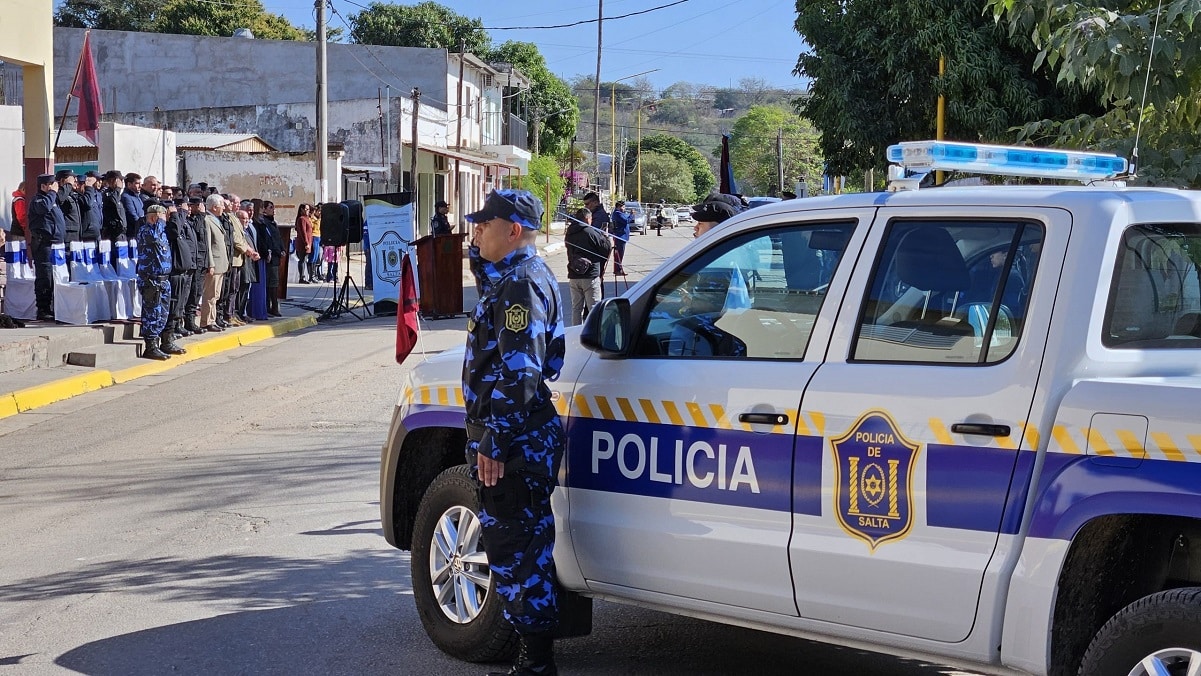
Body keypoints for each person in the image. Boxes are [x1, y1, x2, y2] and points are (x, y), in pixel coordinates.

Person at [462, 188, 565, 676]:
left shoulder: (521, 284)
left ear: (514, 230)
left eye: (485, 224)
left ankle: (535, 664)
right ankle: (532, 658)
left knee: (519, 553)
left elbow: (521, 371)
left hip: (516, 437)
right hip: (515, 431)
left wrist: (496, 439)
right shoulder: (512, 278)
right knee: (513, 547)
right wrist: (479, 258)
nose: (476, 231)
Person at [136, 204, 182, 360]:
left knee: (162, 314)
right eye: (163, 217)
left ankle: (164, 343)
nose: (165, 220)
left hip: (163, 280)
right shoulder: (146, 230)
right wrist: (160, 221)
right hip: (151, 280)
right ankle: (150, 347)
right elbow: (154, 236)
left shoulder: (161, 231)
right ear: (154, 217)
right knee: (152, 314)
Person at [27, 173, 65, 321]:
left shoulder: (51, 199)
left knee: (54, 276)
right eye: (51, 184)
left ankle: (53, 306)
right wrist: (52, 193)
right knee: (45, 277)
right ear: (43, 186)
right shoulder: (38, 200)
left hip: (55, 244)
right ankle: (43, 309)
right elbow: (44, 208)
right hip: (43, 244)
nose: (54, 187)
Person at [564, 207, 611, 326]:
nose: (591, 221)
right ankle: (594, 333)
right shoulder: (591, 232)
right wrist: (606, 237)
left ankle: (576, 332)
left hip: (574, 275)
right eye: (590, 219)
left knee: (576, 309)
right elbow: (606, 249)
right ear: (586, 218)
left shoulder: (569, 232)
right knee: (594, 308)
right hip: (590, 276)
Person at [165, 197, 197, 339]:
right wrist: (178, 214)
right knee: (173, 302)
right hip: (173, 269)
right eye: (185, 207)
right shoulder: (174, 222)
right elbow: (174, 231)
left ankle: (176, 326)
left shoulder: (183, 221)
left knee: (181, 300)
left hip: (184, 267)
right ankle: (169, 331)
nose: (188, 209)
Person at [200, 194, 230, 331]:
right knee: (210, 295)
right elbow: (208, 244)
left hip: (221, 263)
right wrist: (210, 264)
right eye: (222, 205)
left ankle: (212, 319)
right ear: (214, 206)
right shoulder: (207, 220)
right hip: (214, 264)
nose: (224, 207)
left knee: (216, 294)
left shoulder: (216, 219)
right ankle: (206, 321)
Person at [255, 200, 283, 316]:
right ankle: (268, 307)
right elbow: (267, 240)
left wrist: (282, 249)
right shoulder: (263, 223)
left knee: (274, 283)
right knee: (269, 283)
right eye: (270, 207)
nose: (273, 210)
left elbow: (278, 238)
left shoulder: (272, 223)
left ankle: (274, 307)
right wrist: (271, 251)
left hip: (275, 257)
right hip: (269, 256)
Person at [608, 200, 631, 275]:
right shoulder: (617, 214)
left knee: (619, 254)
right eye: (623, 207)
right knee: (619, 254)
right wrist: (632, 215)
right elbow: (626, 220)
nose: (624, 208)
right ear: (619, 207)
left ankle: (618, 269)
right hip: (620, 236)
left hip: (622, 236)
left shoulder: (621, 213)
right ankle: (618, 270)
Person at [121, 173, 144, 239]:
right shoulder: (126, 197)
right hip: (132, 234)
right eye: (137, 183)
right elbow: (132, 216)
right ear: (129, 184)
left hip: (139, 232)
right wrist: (142, 225)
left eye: (140, 183)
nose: (140, 186)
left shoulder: (137, 197)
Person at [294, 203, 313, 283]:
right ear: (302, 210)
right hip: (303, 243)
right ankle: (302, 277)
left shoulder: (307, 219)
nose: (308, 211)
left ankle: (304, 276)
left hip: (309, 242)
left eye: (308, 209)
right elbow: (303, 232)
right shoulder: (301, 219)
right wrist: (306, 243)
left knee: (304, 260)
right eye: (306, 209)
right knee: (302, 260)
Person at [309, 203, 323, 282]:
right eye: (319, 211)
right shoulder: (313, 218)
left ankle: (315, 274)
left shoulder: (318, 219)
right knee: (313, 256)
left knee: (317, 257)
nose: (320, 213)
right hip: (314, 236)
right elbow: (313, 227)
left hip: (318, 237)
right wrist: (318, 220)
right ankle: (311, 276)